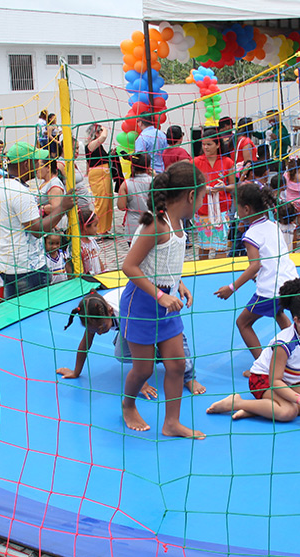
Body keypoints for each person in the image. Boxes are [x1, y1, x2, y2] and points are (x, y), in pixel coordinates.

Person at [117, 161, 207, 438]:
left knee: (178, 364)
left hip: (167, 301)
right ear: (191, 196)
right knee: (143, 369)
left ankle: (171, 422)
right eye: (202, 196)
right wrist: (159, 295)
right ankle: (128, 405)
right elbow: (130, 267)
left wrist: (178, 284)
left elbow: (163, 261)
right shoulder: (157, 225)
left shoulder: (179, 223)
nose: (202, 202)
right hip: (142, 303)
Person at [207, 277, 300, 421]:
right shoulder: (284, 344)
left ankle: (259, 410)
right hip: (264, 379)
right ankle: (237, 402)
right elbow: (275, 381)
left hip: (287, 380)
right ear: (298, 321)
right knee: (288, 412)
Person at [56, 288, 207, 395]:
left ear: (110, 311)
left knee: (175, 343)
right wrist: (76, 372)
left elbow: (138, 347)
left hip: (153, 312)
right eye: (96, 331)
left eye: (102, 327)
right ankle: (162, 354)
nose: (100, 333)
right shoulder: (94, 317)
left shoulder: (124, 312)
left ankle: (188, 377)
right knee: (121, 353)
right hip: (132, 324)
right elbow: (85, 344)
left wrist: (142, 381)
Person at [215, 183, 298, 357]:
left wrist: (231, 288)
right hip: (291, 282)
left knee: (243, 323)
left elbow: (255, 265)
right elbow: (273, 257)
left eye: (236, 206)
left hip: (271, 289)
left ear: (246, 209)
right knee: (278, 311)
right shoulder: (272, 225)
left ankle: (263, 366)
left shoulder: (251, 235)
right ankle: (297, 350)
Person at [0, 142, 74, 299]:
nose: (38, 165)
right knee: (36, 314)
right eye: (36, 161)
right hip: (27, 269)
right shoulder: (20, 192)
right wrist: (62, 208)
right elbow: (36, 230)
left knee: (15, 313)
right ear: (27, 164)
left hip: (7, 265)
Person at [192, 127, 235, 260]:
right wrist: (202, 189)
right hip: (202, 210)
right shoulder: (195, 162)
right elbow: (191, 185)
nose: (206, 147)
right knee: (204, 247)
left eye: (209, 144)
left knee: (220, 246)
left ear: (217, 145)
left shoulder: (227, 162)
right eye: (203, 144)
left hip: (221, 211)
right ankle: (203, 275)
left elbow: (233, 186)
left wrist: (224, 188)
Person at [84, 124, 114, 236]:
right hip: (98, 175)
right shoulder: (91, 145)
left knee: (107, 202)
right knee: (101, 202)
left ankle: (104, 228)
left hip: (104, 173)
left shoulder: (97, 146)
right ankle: (94, 228)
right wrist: (104, 130)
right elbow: (103, 137)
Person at [117, 152, 153, 239]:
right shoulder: (155, 181)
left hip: (133, 227)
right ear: (148, 166)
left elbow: (121, 206)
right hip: (153, 225)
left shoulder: (126, 184)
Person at [37, 157, 68, 230]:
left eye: (39, 166)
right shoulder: (45, 182)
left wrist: (40, 208)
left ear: (48, 167)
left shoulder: (54, 184)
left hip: (55, 226)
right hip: (48, 223)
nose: (36, 169)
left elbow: (56, 207)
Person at [77, 206, 104, 275]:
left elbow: (98, 258)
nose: (97, 228)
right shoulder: (78, 245)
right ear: (86, 227)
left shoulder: (92, 240)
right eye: (95, 225)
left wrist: (104, 271)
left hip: (98, 277)